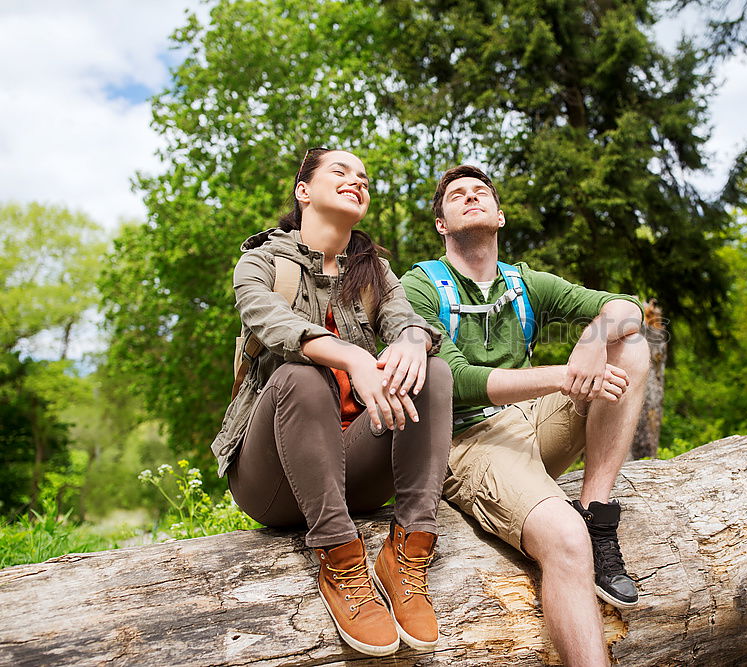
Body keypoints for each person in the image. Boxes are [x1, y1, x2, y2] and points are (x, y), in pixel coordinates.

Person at [400, 165, 650, 666]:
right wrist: (564, 374)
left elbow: (627, 307)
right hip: (469, 441)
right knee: (563, 538)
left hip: (533, 421)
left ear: (500, 216)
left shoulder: (523, 282)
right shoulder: (420, 286)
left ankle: (598, 515)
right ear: (442, 225)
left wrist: (591, 338)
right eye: (455, 196)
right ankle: (577, 536)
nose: (469, 197)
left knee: (631, 344)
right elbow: (460, 381)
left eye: (480, 192)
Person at [210, 148, 453, 657]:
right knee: (301, 375)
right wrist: (353, 359)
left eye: (363, 178)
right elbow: (272, 324)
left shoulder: (376, 272)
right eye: (340, 172)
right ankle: (341, 559)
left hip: (356, 472)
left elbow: (404, 318)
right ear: (304, 191)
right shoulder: (260, 263)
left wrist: (411, 337)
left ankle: (406, 553)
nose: (356, 182)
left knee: (432, 369)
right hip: (273, 484)